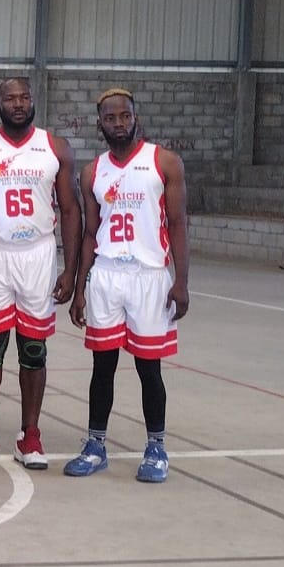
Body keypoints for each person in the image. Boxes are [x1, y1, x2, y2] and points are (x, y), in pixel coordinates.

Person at [64, 88, 189, 483]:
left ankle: (156, 448)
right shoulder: (92, 171)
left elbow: (180, 224)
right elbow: (89, 232)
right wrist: (81, 287)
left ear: (135, 117)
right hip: (106, 276)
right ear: (99, 123)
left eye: (125, 116)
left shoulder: (163, 162)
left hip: (149, 277)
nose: (119, 123)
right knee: (103, 366)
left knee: (148, 368)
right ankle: (95, 444)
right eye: (110, 118)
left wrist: (181, 282)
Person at [0, 77, 82, 470]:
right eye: (10, 98)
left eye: (24, 97)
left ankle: (30, 434)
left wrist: (71, 268)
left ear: (33, 102)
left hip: (38, 255)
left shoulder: (54, 147)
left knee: (33, 349)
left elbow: (69, 210)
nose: (18, 104)